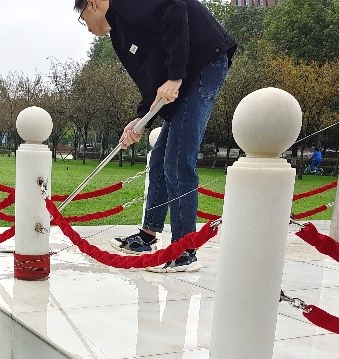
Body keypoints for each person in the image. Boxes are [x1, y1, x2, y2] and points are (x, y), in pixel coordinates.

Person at [75, 0, 237, 272]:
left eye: (83, 19)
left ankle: (184, 251)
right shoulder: (119, 33)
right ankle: (148, 236)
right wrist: (141, 120)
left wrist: (175, 77)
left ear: (92, 4)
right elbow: (150, 74)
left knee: (178, 161)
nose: (88, 29)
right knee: (160, 157)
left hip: (204, 62)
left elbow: (175, 7)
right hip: (183, 74)